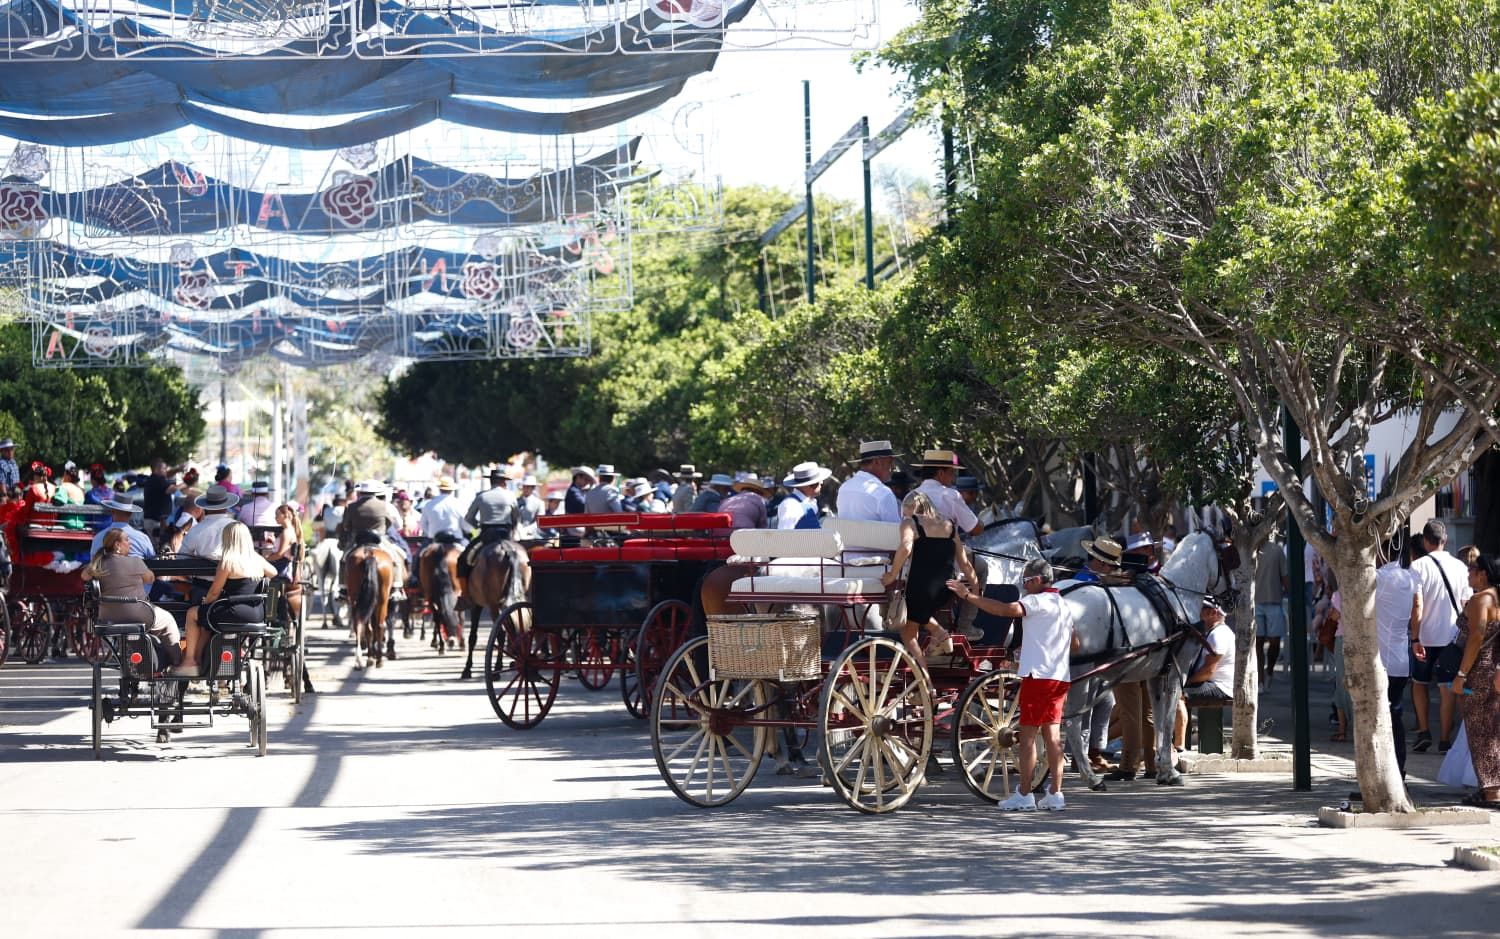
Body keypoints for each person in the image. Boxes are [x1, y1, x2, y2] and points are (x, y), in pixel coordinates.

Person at [949, 558, 1077, 811]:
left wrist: (968, 596)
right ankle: (1055, 793)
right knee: (1052, 737)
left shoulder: (1036, 602)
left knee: (1028, 737)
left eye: (1026, 581)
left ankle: (1025, 793)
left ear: (1038, 580)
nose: (1025, 587)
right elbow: (1075, 644)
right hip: (1059, 677)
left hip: (1037, 676)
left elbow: (1005, 610)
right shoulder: (1063, 605)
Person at [882, 491, 978, 666]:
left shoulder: (910, 523)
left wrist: (892, 575)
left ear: (912, 509)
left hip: (920, 589)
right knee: (916, 618)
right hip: (946, 590)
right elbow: (964, 562)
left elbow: (905, 547)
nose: (904, 516)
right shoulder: (950, 526)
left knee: (907, 632)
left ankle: (924, 679)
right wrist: (976, 588)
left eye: (905, 512)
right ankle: (940, 635)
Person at [175, 522, 276, 676]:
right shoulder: (256, 560)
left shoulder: (227, 562)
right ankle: (204, 661)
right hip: (256, 613)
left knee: (192, 614)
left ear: (228, 539)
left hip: (233, 612)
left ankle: (190, 661)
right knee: (206, 618)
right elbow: (274, 572)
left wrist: (205, 603)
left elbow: (214, 593)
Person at [1411, 519, 1472, 752]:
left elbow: (1417, 605)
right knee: (1447, 688)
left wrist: (1415, 638)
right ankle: (1445, 740)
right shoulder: (1460, 567)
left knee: (1419, 684)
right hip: (1452, 639)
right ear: (1444, 540)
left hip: (1426, 638)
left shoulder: (1418, 566)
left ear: (1426, 541)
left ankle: (1424, 730)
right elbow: (1467, 604)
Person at [81, 529, 182, 668]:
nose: (130, 543)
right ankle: (177, 662)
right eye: (127, 540)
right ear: (117, 545)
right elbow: (150, 579)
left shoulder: (98, 564)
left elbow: (84, 576)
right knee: (168, 620)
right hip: (137, 614)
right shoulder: (135, 562)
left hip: (108, 617)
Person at [1451, 553, 1500, 807]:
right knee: (1491, 729)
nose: (1468, 573)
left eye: (1471, 570)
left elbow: (1476, 636)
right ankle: (1489, 787)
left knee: (1480, 731)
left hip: (1478, 672)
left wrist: (1461, 675)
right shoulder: (1496, 598)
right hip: (1492, 669)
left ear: (1483, 573)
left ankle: (1492, 790)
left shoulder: (1482, 599)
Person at [1375, 537, 1421, 778]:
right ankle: (1398, 768)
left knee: (1380, 719)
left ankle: (1385, 772)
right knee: (1395, 714)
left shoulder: (1381, 579)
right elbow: (1417, 608)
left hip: (1382, 659)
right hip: (1401, 658)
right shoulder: (1410, 577)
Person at [837, 440, 902, 555]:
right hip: (878, 564)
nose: (893, 467)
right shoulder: (883, 493)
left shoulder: (844, 488)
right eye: (890, 462)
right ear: (877, 462)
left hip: (845, 561)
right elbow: (896, 540)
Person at [459, 468, 515, 585]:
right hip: (506, 535)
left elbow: (468, 518)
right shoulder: (511, 496)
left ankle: (465, 594)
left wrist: (478, 526)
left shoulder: (481, 496)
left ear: (491, 481)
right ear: (503, 482)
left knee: (463, 560)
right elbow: (516, 518)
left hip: (486, 535)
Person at [912, 449, 983, 537]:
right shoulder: (950, 495)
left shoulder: (909, 497)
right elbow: (975, 530)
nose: (953, 478)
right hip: (946, 549)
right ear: (941, 473)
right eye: (952, 473)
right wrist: (981, 522)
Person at [1254, 535, 1289, 688]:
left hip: (1273, 600)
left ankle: (1269, 672)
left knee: (1274, 642)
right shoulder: (1250, 550)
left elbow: (1285, 577)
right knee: (1258, 643)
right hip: (1254, 602)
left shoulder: (1276, 550)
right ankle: (1261, 678)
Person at [1184, 597, 1234, 700]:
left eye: (1200, 608)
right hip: (1210, 682)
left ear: (1212, 612)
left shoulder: (1218, 634)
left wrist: (1187, 681)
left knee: (1176, 696)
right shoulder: (1213, 632)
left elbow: (1208, 671)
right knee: (1173, 690)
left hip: (1220, 686)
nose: (1196, 610)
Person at [179, 486, 240, 561]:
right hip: (231, 570)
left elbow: (182, 557)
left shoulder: (195, 530)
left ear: (206, 507)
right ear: (226, 506)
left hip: (202, 571)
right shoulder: (238, 527)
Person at [89, 496, 156, 560]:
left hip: (106, 571)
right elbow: (152, 558)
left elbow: (93, 560)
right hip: (135, 571)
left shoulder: (98, 537)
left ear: (112, 512)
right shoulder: (142, 537)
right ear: (130, 514)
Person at [776, 462, 830, 529]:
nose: (821, 483)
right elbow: (784, 535)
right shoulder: (791, 506)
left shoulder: (808, 502)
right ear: (807, 486)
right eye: (817, 482)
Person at [140, 458, 180, 537]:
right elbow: (172, 489)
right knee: (159, 546)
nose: (166, 470)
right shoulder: (158, 480)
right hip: (156, 522)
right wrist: (187, 482)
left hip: (152, 521)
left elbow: (168, 475)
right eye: (164, 468)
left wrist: (178, 469)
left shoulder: (152, 479)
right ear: (156, 469)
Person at [514, 475, 545, 543]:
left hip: (533, 534)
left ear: (533, 488)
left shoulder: (539, 503)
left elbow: (540, 521)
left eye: (528, 487)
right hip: (516, 534)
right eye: (524, 486)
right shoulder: (515, 501)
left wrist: (527, 529)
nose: (526, 489)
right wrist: (519, 528)